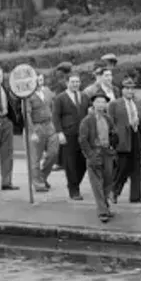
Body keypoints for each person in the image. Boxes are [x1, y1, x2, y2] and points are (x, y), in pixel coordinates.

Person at [78, 92, 120, 222]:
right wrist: (90, 155)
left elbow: (114, 133)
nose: (101, 104)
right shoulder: (87, 120)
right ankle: (102, 211)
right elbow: (83, 140)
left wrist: (113, 145)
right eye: (98, 102)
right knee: (97, 183)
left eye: (103, 102)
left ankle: (105, 206)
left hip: (107, 152)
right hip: (94, 153)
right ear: (93, 103)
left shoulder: (108, 118)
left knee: (108, 181)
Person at [52, 72, 89, 200]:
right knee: (70, 163)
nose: (75, 84)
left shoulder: (84, 96)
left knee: (83, 162)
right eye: (72, 82)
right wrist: (59, 133)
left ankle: (74, 183)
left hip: (83, 135)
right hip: (68, 134)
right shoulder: (60, 98)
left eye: (77, 82)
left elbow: (88, 112)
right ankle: (74, 190)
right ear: (67, 83)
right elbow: (55, 116)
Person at [110, 75, 141, 203]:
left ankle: (136, 196)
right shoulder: (115, 104)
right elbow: (110, 122)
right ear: (122, 90)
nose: (130, 91)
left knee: (136, 167)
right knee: (122, 167)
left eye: (132, 88)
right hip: (122, 138)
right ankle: (114, 191)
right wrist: (113, 139)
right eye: (127, 88)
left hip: (136, 135)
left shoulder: (138, 102)